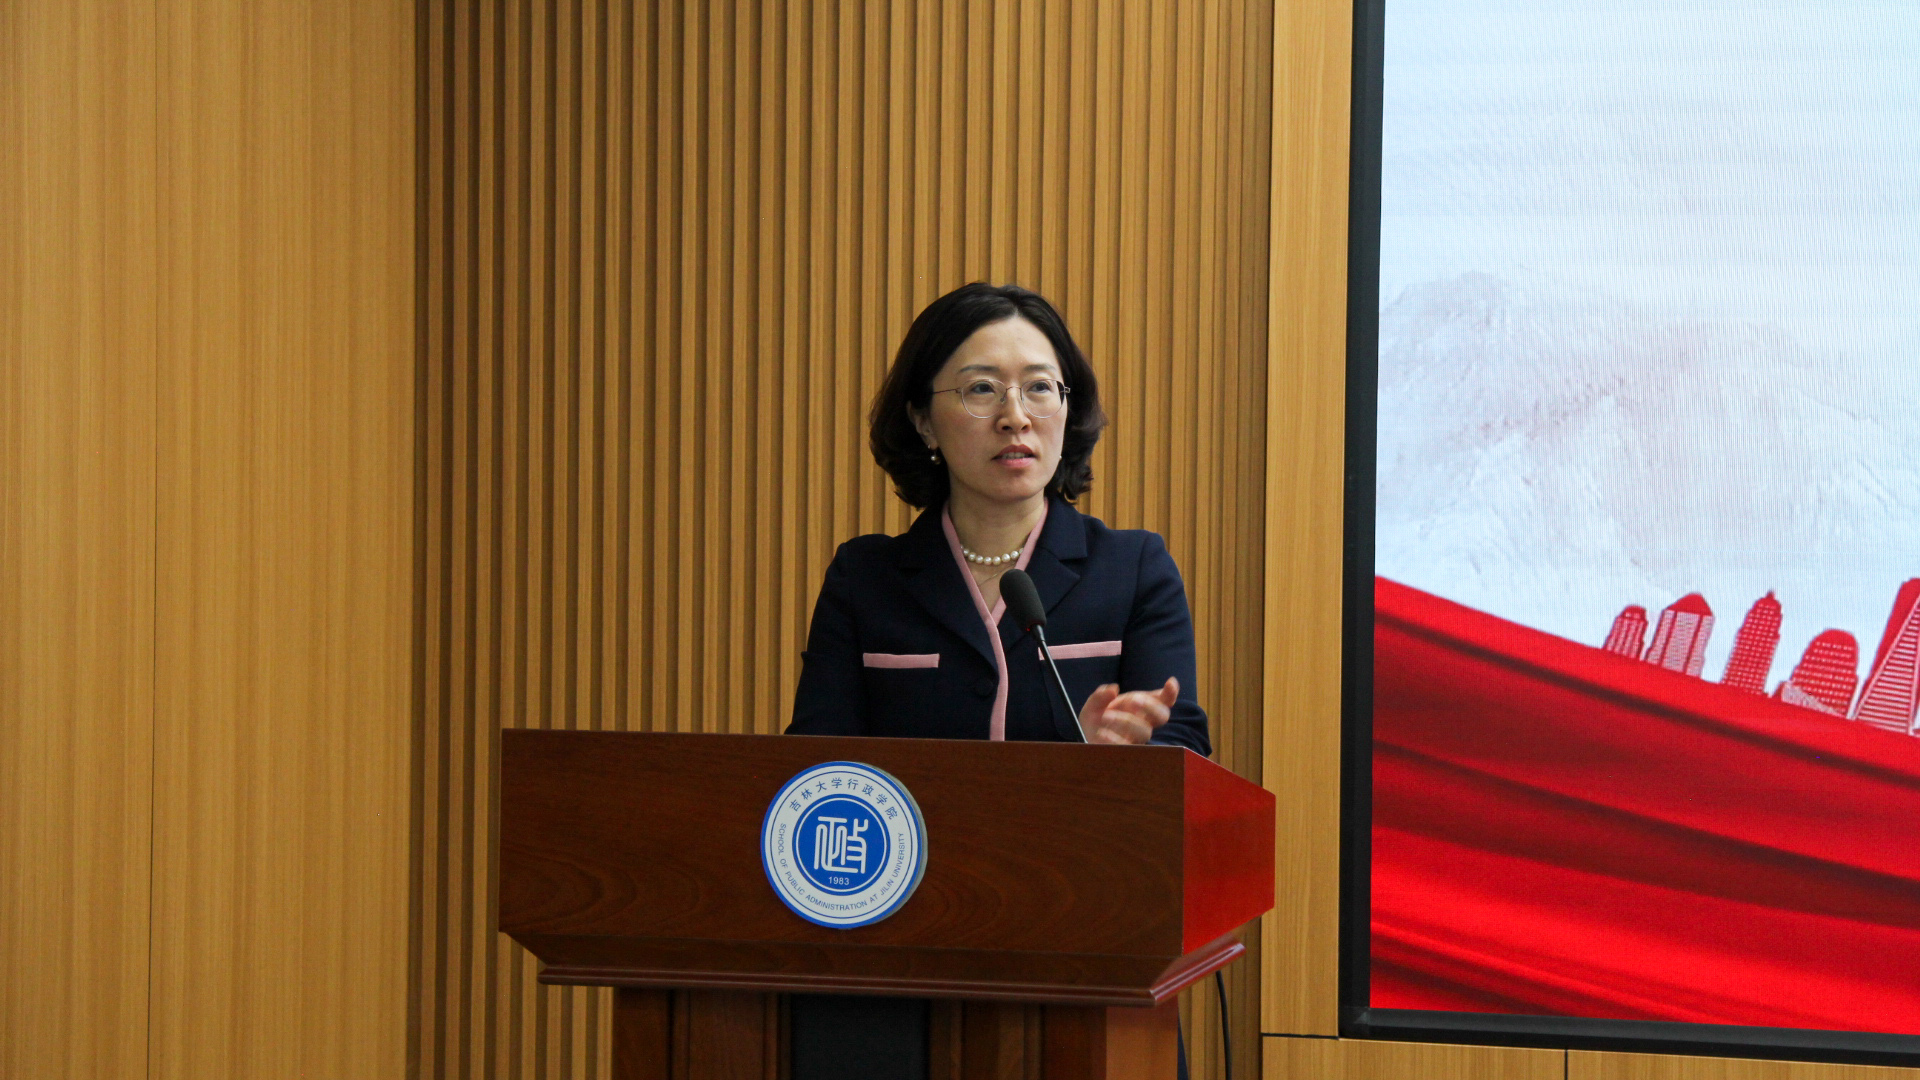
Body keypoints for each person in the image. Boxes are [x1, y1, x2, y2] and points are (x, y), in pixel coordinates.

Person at [787, 282, 1209, 754]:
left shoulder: (1133, 569)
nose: (1015, 417)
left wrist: (1107, 757)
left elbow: (1180, 744)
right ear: (924, 422)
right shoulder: (864, 579)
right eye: (982, 389)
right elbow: (816, 763)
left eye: (1039, 387)